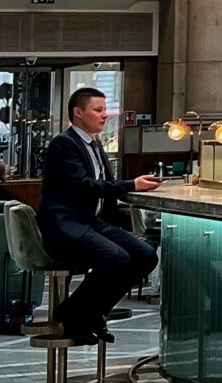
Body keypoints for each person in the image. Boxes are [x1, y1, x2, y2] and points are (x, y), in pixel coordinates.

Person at [38, 87, 161, 344]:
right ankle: (74, 315)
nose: (105, 116)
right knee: (115, 257)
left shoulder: (94, 143)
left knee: (145, 255)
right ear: (78, 113)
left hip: (91, 223)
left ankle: (88, 313)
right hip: (66, 224)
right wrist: (130, 186)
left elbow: (105, 183)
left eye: (105, 110)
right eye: (98, 110)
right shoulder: (64, 143)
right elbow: (83, 185)